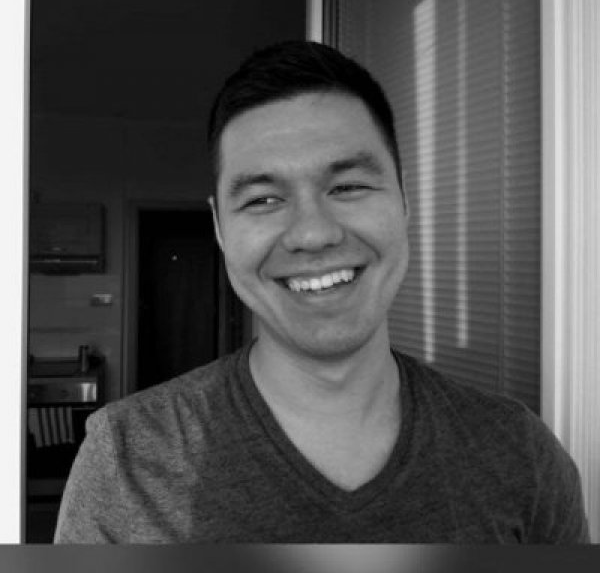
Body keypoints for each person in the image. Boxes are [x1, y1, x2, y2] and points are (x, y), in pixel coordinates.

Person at [54, 40, 589, 543]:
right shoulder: (124, 463)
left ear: (404, 202)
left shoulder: (522, 455)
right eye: (263, 199)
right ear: (219, 227)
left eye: (348, 186)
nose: (313, 234)